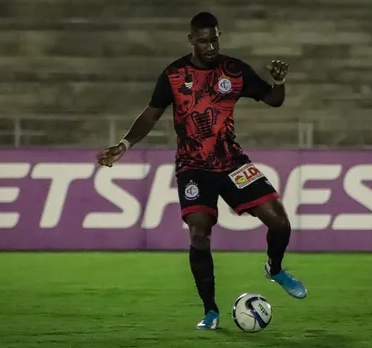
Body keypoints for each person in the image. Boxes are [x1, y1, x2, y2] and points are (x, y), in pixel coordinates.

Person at [96, 11, 307, 330]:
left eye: (215, 39)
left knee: (280, 222)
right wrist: (124, 145)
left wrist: (279, 82)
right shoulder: (174, 75)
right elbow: (151, 115)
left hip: (232, 161)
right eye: (204, 40)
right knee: (199, 233)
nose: (210, 46)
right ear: (192, 39)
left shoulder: (234, 70)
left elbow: (273, 100)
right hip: (193, 166)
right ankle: (210, 311)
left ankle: (274, 269)